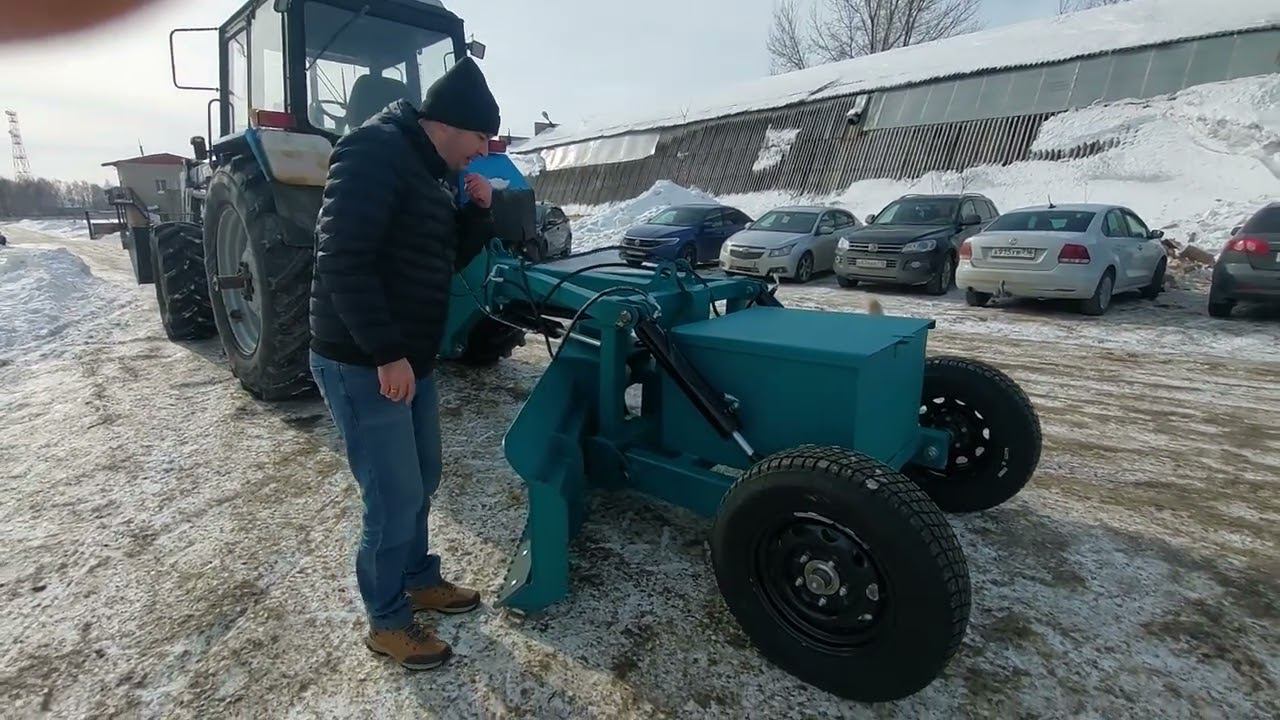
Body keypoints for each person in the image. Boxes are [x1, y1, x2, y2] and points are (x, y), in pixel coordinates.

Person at [308, 57, 500, 671]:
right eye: (480, 140)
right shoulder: (373, 151)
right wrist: (387, 355)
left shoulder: (430, 167)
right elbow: (342, 261)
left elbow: (436, 258)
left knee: (424, 476)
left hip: (410, 360)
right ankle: (388, 621)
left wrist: (476, 213)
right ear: (451, 124)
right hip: (364, 359)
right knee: (392, 495)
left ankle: (418, 577)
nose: (483, 151)